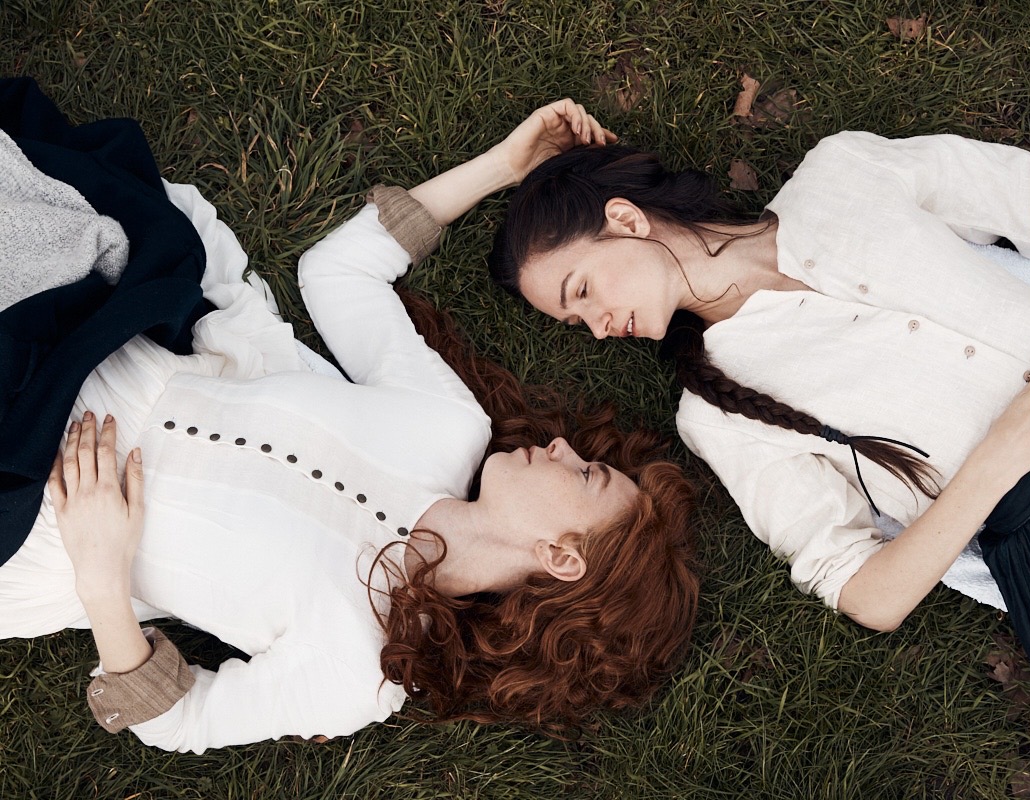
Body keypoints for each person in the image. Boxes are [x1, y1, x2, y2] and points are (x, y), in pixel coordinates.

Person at [0, 100, 699, 753]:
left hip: (35, 523)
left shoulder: (361, 671)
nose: (563, 446)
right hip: (88, 347)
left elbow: (179, 720)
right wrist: (505, 165)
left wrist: (101, 575)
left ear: (562, 557)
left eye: (587, 475)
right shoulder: (449, 426)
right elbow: (340, 275)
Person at [488, 130, 1030, 694]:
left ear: (624, 219)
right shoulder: (714, 415)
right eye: (575, 323)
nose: (597, 328)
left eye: (582, 291)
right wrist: (1000, 458)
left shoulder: (844, 173)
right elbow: (867, 595)